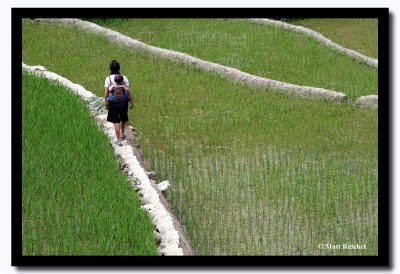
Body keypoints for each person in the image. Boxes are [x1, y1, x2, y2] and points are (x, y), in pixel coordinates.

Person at [104, 60, 134, 146]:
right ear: (119, 68)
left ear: (110, 69)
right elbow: (128, 91)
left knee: (115, 121)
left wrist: (106, 101)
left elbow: (106, 92)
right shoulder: (124, 77)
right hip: (124, 101)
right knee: (123, 118)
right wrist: (131, 101)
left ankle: (119, 140)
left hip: (113, 102)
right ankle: (123, 134)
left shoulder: (108, 78)